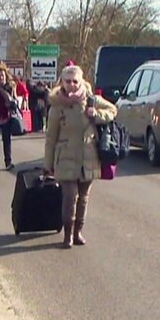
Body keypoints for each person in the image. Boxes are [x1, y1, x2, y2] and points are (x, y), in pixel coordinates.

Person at [43, 64, 118, 248]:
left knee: (83, 197)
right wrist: (48, 164)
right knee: (70, 196)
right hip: (65, 156)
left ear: (81, 81)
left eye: (75, 81)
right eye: (67, 81)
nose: (71, 85)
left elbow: (113, 110)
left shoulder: (91, 100)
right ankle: (67, 234)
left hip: (88, 156)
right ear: (62, 82)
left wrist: (96, 115)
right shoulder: (57, 106)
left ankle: (78, 232)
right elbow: (50, 137)